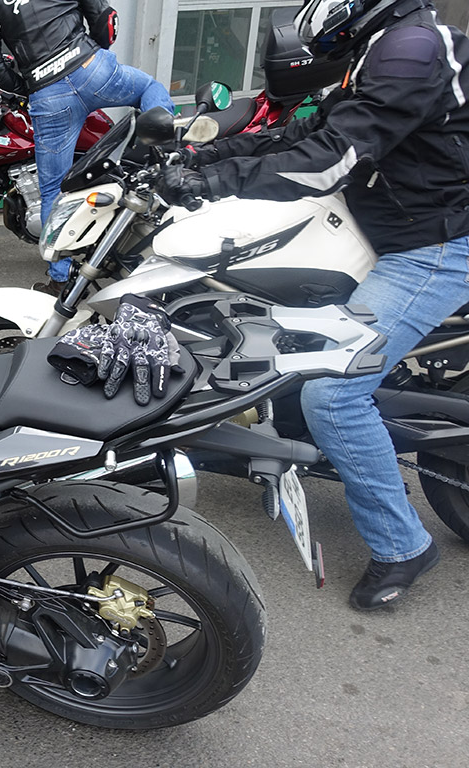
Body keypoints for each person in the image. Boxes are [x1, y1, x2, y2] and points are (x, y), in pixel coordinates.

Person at [163, 0, 469, 611]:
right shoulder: (390, 43)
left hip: (432, 247)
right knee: (275, 317)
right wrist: (208, 157)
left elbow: (331, 160)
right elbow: (310, 132)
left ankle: (402, 545)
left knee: (333, 392)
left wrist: (211, 185)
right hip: (387, 225)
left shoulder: (411, 49)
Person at [0, 0, 174, 276]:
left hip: (47, 93)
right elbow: (105, 18)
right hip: (92, 67)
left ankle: (60, 277)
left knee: (53, 192)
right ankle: (165, 159)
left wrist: (26, 89)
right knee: (151, 88)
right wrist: (93, 54)